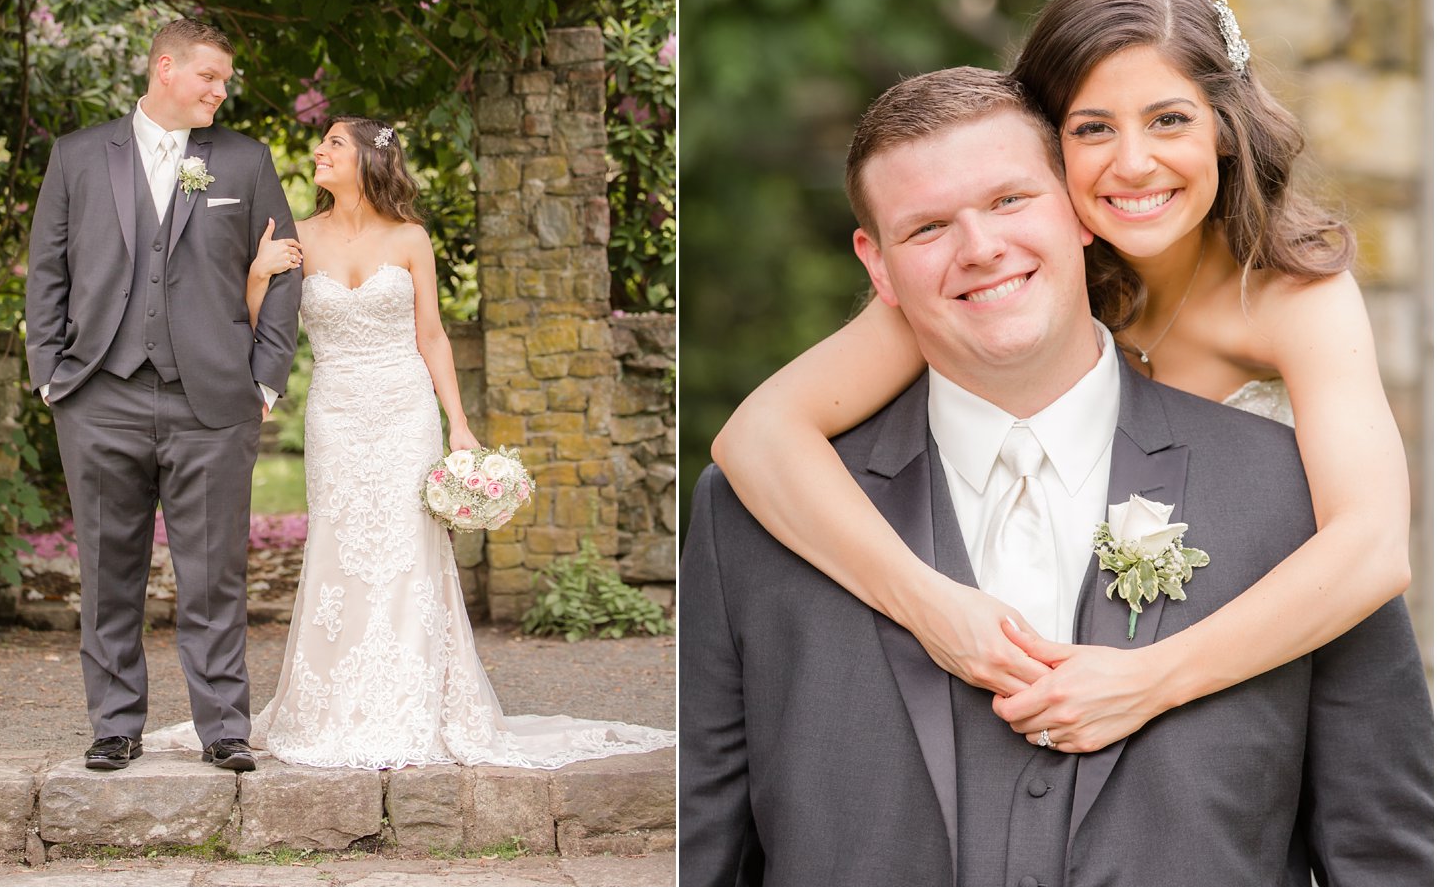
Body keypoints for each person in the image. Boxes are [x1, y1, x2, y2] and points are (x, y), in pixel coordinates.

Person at [679, 65, 1432, 885]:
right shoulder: (749, 518)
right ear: (879, 264)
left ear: (1078, 212)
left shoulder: (1293, 497)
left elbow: (1387, 859)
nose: (980, 248)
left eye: (1009, 200)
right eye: (928, 227)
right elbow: (700, 846)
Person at [174, 114, 674, 769]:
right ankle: (333, 704)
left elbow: (431, 335)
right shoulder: (298, 235)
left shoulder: (411, 238)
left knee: (409, 551)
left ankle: (412, 704)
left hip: (405, 409)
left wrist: (458, 422)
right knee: (339, 547)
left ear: (368, 162)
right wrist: (261, 271)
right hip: (337, 411)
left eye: (334, 144)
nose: (318, 151)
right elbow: (257, 325)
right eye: (321, 141)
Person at [25, 19, 302, 774]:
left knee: (214, 572)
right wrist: (51, 373)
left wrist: (266, 376)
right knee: (108, 568)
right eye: (210, 76)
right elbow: (46, 271)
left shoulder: (243, 161)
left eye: (225, 81)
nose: (221, 90)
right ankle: (114, 725)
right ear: (166, 67)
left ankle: (223, 728)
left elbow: (285, 270)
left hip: (213, 400)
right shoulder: (79, 155)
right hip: (97, 396)